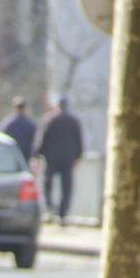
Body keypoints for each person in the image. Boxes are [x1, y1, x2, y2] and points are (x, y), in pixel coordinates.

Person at [34, 95, 84, 223]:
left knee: (47, 184)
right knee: (66, 187)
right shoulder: (74, 120)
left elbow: (43, 138)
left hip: (52, 158)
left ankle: (50, 208)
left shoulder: (51, 119)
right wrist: (78, 156)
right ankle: (62, 213)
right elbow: (79, 140)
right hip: (68, 158)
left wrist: (38, 154)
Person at [0, 96, 37, 162]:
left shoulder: (8, 122)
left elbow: (0, 136)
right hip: (25, 156)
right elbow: (34, 142)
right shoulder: (30, 124)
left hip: (10, 155)